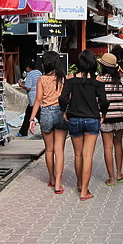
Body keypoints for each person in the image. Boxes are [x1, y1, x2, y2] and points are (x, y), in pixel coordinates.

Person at [59, 50, 108, 201]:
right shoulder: (97, 80)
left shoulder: (71, 78)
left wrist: (64, 111)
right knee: (88, 155)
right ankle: (84, 191)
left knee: (78, 154)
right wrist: (103, 115)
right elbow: (104, 101)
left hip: (74, 119)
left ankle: (80, 184)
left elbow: (62, 97)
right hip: (92, 119)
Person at [28, 52, 68, 193]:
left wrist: (31, 119)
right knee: (60, 150)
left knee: (49, 149)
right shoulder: (63, 78)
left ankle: (51, 178)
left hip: (45, 113)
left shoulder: (41, 79)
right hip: (61, 113)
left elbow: (38, 100)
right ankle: (58, 183)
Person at [97, 53, 123, 186]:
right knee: (118, 144)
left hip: (105, 118)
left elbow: (98, 101)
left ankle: (111, 178)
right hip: (120, 117)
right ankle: (119, 173)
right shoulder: (121, 81)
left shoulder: (99, 80)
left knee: (107, 147)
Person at [18, 59, 42, 137]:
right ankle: (23, 132)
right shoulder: (39, 72)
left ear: (28, 67)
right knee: (28, 114)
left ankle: (46, 130)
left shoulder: (30, 74)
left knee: (37, 115)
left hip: (32, 98)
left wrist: (21, 85)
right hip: (39, 94)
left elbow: (28, 87)